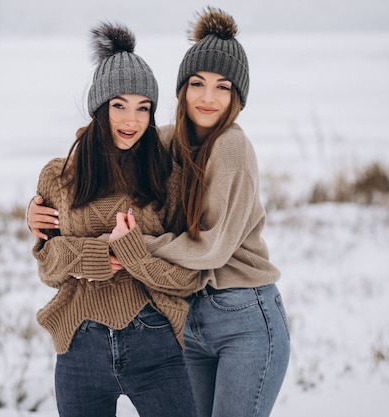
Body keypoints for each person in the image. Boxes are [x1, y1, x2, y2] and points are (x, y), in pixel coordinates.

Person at [28, 8, 290, 417]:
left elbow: (209, 251)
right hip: (192, 320)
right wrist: (38, 206)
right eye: (197, 83)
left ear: (237, 96)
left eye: (222, 87)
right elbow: (114, 143)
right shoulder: (168, 143)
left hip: (242, 311)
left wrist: (125, 250)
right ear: (182, 89)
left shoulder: (232, 150)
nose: (207, 97)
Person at [31, 22, 199, 417]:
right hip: (80, 349)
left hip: (156, 344)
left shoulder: (167, 178)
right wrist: (95, 255)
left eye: (143, 108)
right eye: (119, 105)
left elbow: (189, 276)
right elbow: (48, 268)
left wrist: (133, 255)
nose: (131, 120)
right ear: (99, 107)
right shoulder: (59, 176)